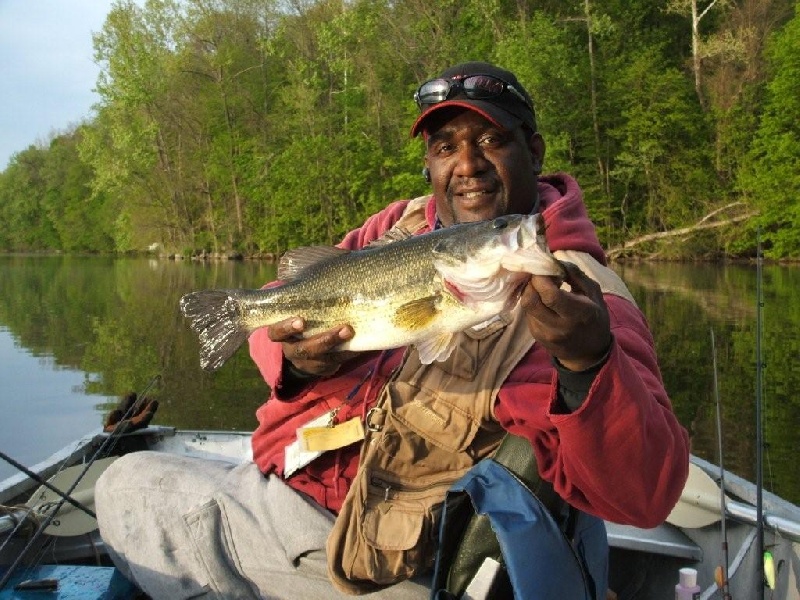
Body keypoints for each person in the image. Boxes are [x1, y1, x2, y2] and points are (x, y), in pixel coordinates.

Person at [95, 61, 690, 599]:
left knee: (125, 483)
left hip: (370, 555)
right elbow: (282, 307)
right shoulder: (399, 227)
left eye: (491, 140)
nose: (468, 165)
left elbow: (642, 495)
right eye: (444, 146)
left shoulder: (580, 297)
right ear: (429, 162)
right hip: (293, 473)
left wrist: (587, 366)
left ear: (532, 152)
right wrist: (297, 361)